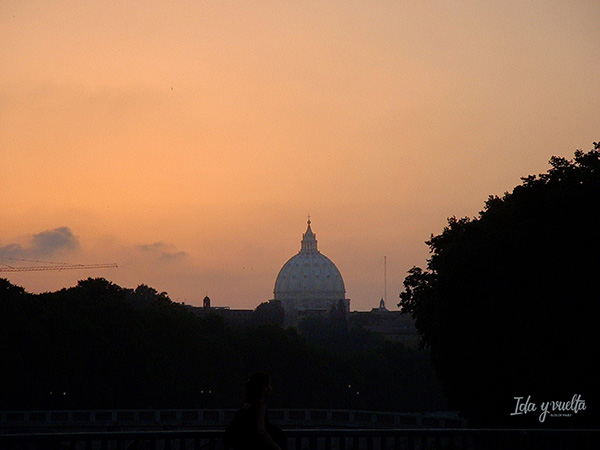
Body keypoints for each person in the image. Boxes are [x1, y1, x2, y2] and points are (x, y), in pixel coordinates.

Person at [224, 372, 284, 450]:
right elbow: (261, 430)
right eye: (268, 385)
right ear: (263, 388)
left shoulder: (248, 406)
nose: (270, 388)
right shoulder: (259, 406)